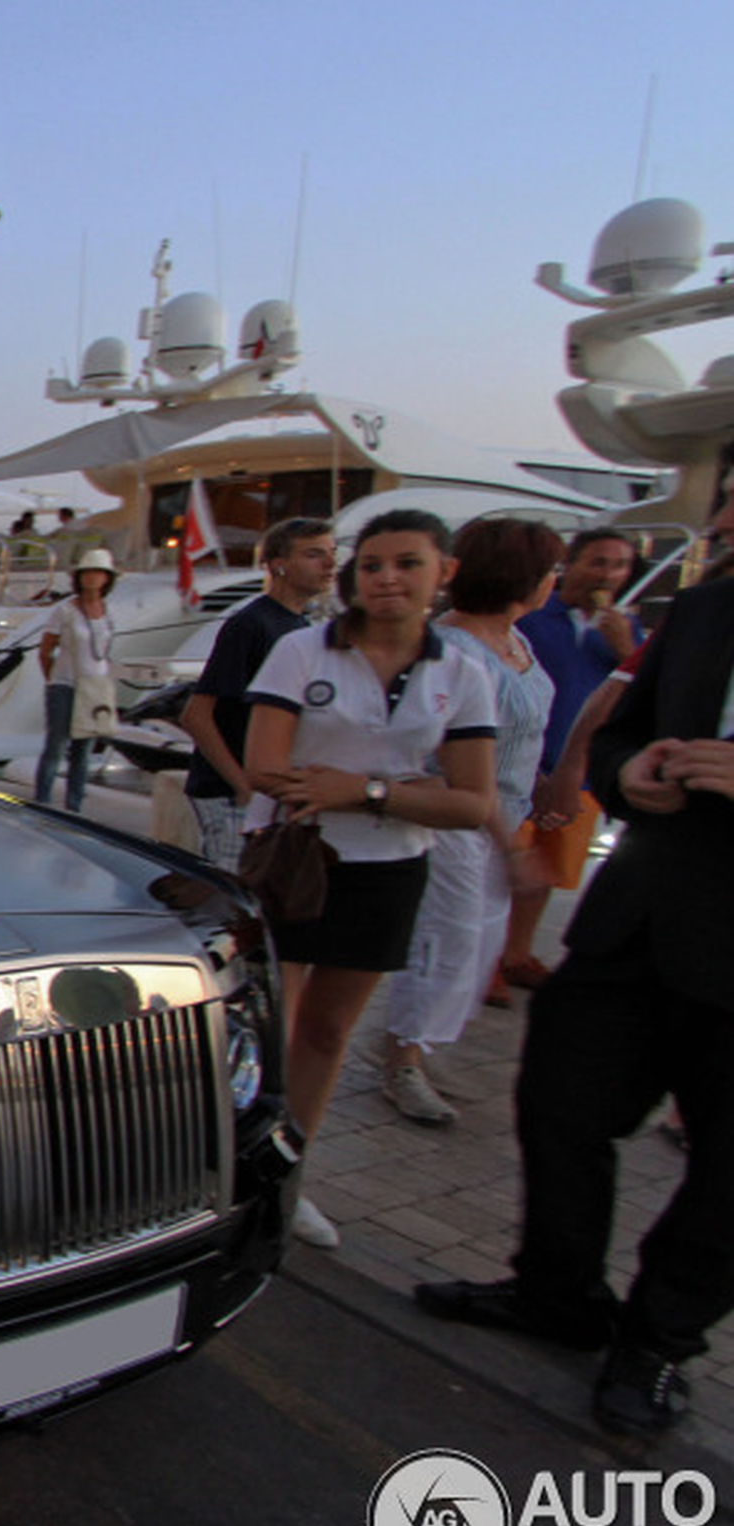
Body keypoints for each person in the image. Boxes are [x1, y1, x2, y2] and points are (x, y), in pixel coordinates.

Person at [416, 487, 734, 1437]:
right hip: (636, 923)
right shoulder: (708, 609)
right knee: (557, 1106)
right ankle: (556, 1293)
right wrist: (624, 776)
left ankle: (660, 1339)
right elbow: (623, 737)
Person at [243, 509, 497, 1247]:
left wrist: (366, 791)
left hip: (389, 866)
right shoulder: (302, 651)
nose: (387, 578)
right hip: (295, 854)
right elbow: (267, 766)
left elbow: (472, 803)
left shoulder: (461, 673)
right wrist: (406, 787)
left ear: (442, 573)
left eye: (408, 563)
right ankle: (241, 1159)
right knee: (270, 1023)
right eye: (374, 564)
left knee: (328, 1029)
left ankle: (291, 1173)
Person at [374, 517, 563, 1126]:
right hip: (456, 823)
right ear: (521, 578)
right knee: (443, 941)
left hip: (503, 814)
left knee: (476, 942)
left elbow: (519, 736)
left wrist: (539, 790)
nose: (554, 582)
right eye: (549, 571)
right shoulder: (453, 652)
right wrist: (510, 845)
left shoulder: (517, 642)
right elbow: (441, 760)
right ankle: (402, 1055)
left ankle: (422, 1047)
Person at [500, 528, 642, 1000]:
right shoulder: (536, 618)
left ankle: (516, 954)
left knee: (545, 871)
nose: (609, 574)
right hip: (524, 767)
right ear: (572, 566)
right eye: (598, 562)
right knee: (506, 868)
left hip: (578, 771)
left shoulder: (625, 630)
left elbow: (637, 694)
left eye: (620, 565)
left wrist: (624, 646)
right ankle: (486, 962)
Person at [180, 518, 336, 870]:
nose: (329, 565)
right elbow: (196, 715)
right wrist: (243, 785)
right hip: (228, 792)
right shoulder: (250, 625)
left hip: (268, 795)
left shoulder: (299, 626)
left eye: (331, 554)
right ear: (278, 564)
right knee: (233, 895)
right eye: (314, 554)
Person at [33, 548, 118, 813]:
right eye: (87, 573)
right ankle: (42, 802)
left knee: (83, 751)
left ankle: (74, 806)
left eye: (98, 573)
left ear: (106, 579)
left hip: (94, 688)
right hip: (65, 685)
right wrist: (53, 681)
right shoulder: (65, 611)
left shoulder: (107, 612)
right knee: (56, 746)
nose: (91, 578)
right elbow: (45, 651)